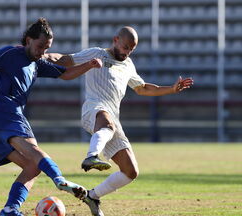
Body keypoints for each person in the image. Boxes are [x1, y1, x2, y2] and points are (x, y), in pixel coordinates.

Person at [0, 18, 103, 216]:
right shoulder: (10, 53)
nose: (42, 52)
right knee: (35, 153)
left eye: (46, 48)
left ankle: (10, 209)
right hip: (6, 114)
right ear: (28, 40)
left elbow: (65, 74)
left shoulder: (37, 63)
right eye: (40, 46)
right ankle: (59, 179)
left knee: (31, 167)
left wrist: (89, 65)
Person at [46, 26, 194, 216]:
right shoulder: (96, 53)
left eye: (131, 49)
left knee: (130, 171)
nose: (127, 52)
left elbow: (142, 88)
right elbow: (66, 60)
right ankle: (91, 156)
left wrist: (171, 89)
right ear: (115, 40)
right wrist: (42, 56)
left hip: (112, 119)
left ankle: (92, 196)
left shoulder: (128, 64)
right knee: (107, 123)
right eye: (125, 47)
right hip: (94, 108)